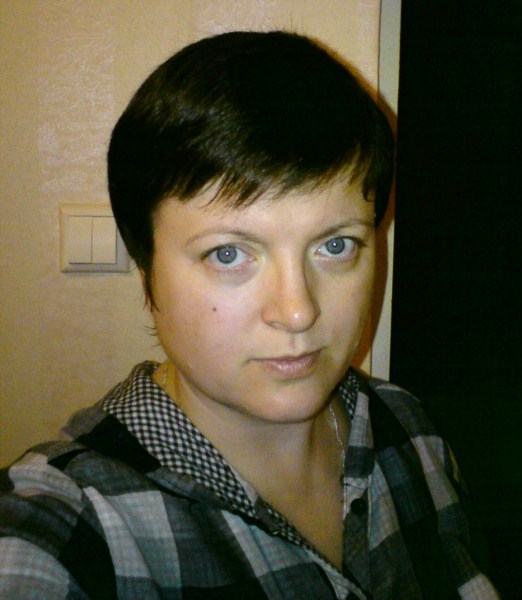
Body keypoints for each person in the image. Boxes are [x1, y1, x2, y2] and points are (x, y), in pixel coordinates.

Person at [0, 31, 498, 599]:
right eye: (229, 254)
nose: (297, 311)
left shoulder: (410, 432)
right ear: (146, 267)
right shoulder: (68, 526)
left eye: (335, 245)